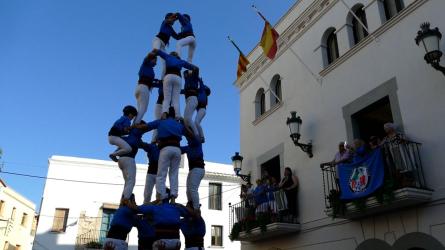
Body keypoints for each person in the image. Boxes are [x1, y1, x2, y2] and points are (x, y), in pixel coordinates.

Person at [135, 107, 192, 203]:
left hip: (166, 148)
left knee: (161, 174)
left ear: (166, 114)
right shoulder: (178, 125)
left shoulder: (161, 122)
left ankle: (161, 197)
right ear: (174, 116)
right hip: (177, 149)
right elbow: (190, 135)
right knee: (174, 174)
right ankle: (173, 198)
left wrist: (133, 126)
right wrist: (183, 124)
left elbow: (145, 127)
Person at [152, 49, 198, 118]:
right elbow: (194, 68)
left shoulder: (168, 57)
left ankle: (164, 113)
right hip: (178, 78)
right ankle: (178, 116)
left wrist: (153, 54)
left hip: (168, 76)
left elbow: (157, 51)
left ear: (171, 54)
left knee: (167, 98)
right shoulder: (181, 61)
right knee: (176, 99)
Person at [180, 135, 205, 211]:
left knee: (193, 189)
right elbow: (179, 149)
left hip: (198, 169)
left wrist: (185, 130)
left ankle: (196, 209)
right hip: (192, 170)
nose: (188, 140)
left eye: (189, 138)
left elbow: (193, 136)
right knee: (188, 190)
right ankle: (191, 205)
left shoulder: (197, 143)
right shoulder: (188, 148)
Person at [134, 52, 158, 125]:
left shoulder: (148, 68)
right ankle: (134, 126)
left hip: (139, 88)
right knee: (143, 109)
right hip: (144, 88)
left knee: (140, 110)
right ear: (151, 59)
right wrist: (155, 53)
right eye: (155, 60)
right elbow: (146, 59)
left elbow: (150, 82)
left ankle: (134, 124)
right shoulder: (146, 64)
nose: (156, 63)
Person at [153, 13, 180, 78]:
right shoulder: (164, 22)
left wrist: (183, 33)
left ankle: (162, 79)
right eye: (172, 19)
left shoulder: (171, 29)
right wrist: (176, 17)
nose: (173, 21)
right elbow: (168, 20)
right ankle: (147, 65)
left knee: (166, 62)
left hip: (163, 45)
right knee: (155, 52)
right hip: (158, 40)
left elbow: (177, 37)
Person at [182, 70, 200, 137]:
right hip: (189, 100)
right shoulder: (186, 82)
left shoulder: (193, 78)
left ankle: (197, 134)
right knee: (185, 120)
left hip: (193, 99)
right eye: (183, 74)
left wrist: (190, 71)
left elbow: (196, 70)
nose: (184, 76)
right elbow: (182, 91)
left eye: (185, 74)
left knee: (188, 118)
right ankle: (191, 133)